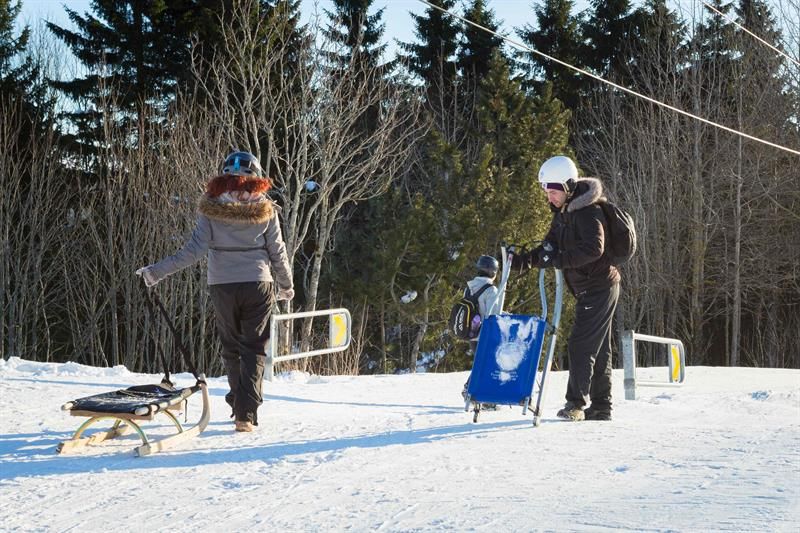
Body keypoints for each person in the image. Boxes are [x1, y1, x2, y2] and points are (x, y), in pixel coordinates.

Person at [136, 151, 294, 433]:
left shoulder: (211, 207)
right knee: (254, 349)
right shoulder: (266, 208)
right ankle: (245, 412)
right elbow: (277, 252)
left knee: (232, 347)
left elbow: (192, 252)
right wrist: (286, 285)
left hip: (222, 284)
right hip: (258, 284)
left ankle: (238, 404)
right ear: (256, 178)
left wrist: (155, 272)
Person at [510, 155, 620, 421]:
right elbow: (548, 248)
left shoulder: (587, 212)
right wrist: (524, 261)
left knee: (580, 345)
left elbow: (594, 249)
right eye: (546, 192)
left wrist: (559, 260)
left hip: (600, 286)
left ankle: (575, 404)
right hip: (590, 288)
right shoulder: (563, 215)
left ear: (568, 186)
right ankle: (601, 407)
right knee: (598, 348)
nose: (550, 197)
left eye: (554, 191)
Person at [461, 255, 500, 402]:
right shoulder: (491, 290)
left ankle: (473, 391)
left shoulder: (469, 287)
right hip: (484, 334)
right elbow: (493, 315)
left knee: (482, 363)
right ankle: (471, 391)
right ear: (492, 272)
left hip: (471, 333)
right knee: (486, 364)